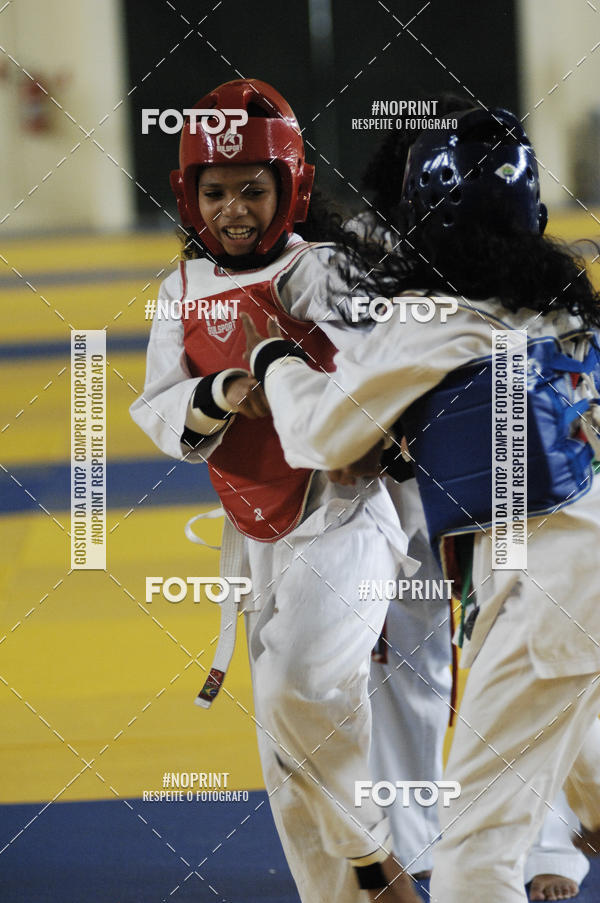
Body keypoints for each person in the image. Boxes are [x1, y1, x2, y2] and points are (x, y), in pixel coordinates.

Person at [241, 106, 600, 903]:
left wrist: (272, 361)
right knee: (578, 759)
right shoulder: (564, 303)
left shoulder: (429, 316)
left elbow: (324, 439)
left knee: (475, 861)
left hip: (552, 598)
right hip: (573, 583)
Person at [130, 78, 423, 903]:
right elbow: (159, 414)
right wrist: (222, 392)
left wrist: (388, 426)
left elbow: (390, 358)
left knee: (303, 688)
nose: (233, 210)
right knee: (287, 754)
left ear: (288, 186)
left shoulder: (320, 270)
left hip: (343, 519)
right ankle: (346, 891)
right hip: (255, 539)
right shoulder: (179, 292)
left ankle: (378, 867)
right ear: (189, 196)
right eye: (214, 192)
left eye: (252, 190)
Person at [353, 99, 593, 900]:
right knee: (415, 664)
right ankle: (425, 838)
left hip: (494, 511)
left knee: (510, 660)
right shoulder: (354, 268)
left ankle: (544, 839)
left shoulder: (460, 304)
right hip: (413, 505)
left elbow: (325, 430)